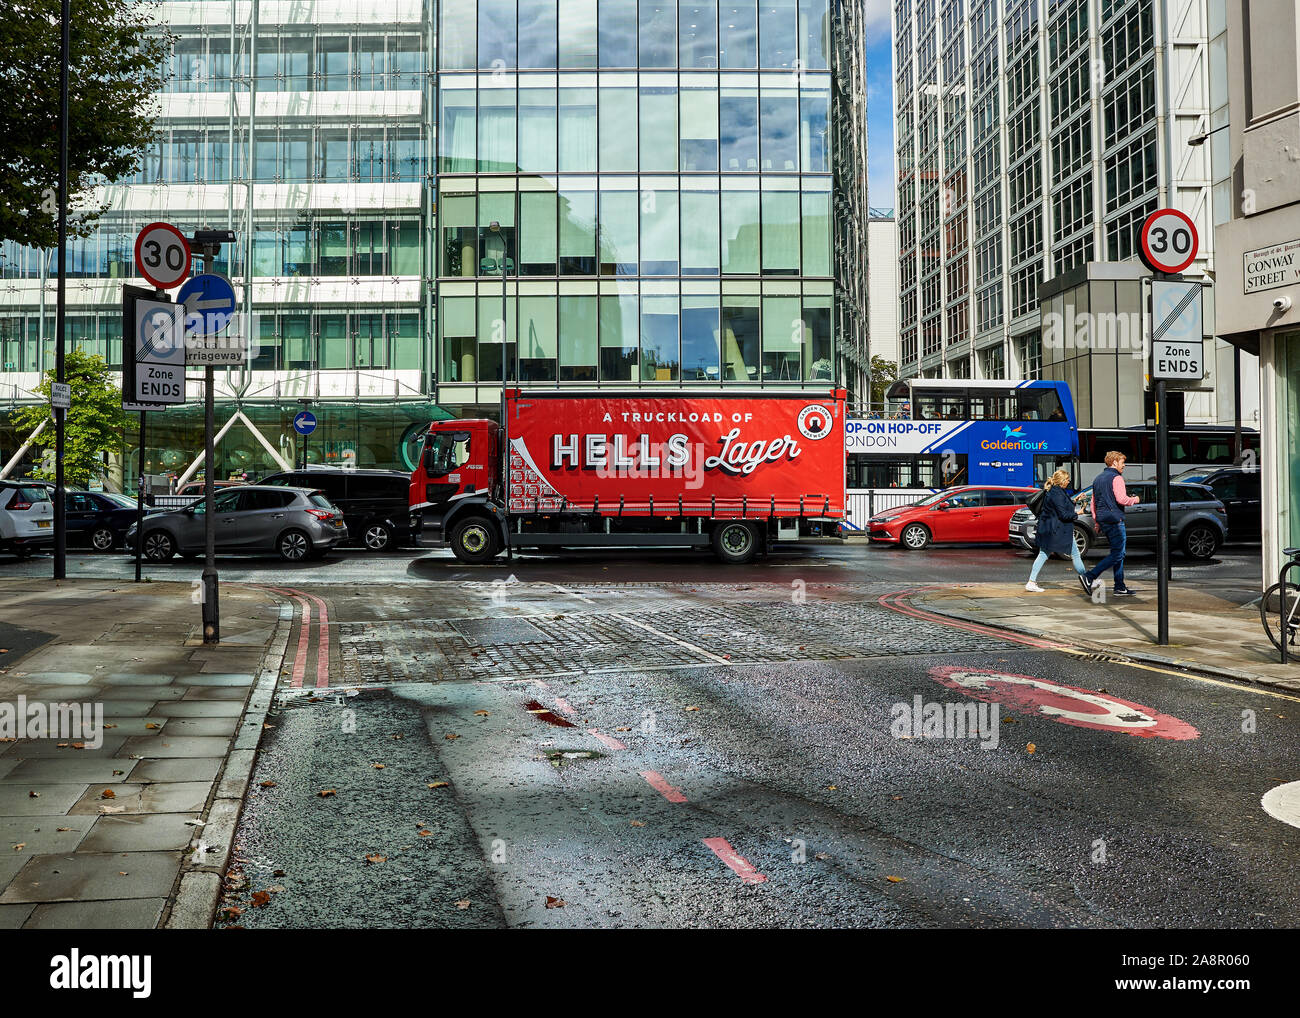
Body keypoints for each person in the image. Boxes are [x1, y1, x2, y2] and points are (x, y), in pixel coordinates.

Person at [1081, 450, 1141, 597]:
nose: (1124, 465)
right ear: (1114, 462)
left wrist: (1096, 521)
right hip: (1115, 519)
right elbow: (1121, 499)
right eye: (1122, 462)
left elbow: (1094, 502)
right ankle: (1089, 576)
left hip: (1103, 519)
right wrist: (1135, 500)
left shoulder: (1098, 479)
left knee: (1117, 553)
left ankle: (1119, 586)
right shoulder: (1117, 478)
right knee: (1118, 554)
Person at [1024, 470, 1088, 593]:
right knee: (1074, 554)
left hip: (1050, 529)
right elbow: (1063, 514)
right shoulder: (1056, 493)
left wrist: (1074, 500)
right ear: (1062, 481)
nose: (1069, 481)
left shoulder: (1056, 491)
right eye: (1067, 479)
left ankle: (1031, 582)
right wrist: (1077, 513)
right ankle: (1087, 578)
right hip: (1055, 530)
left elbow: (1062, 505)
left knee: (1043, 554)